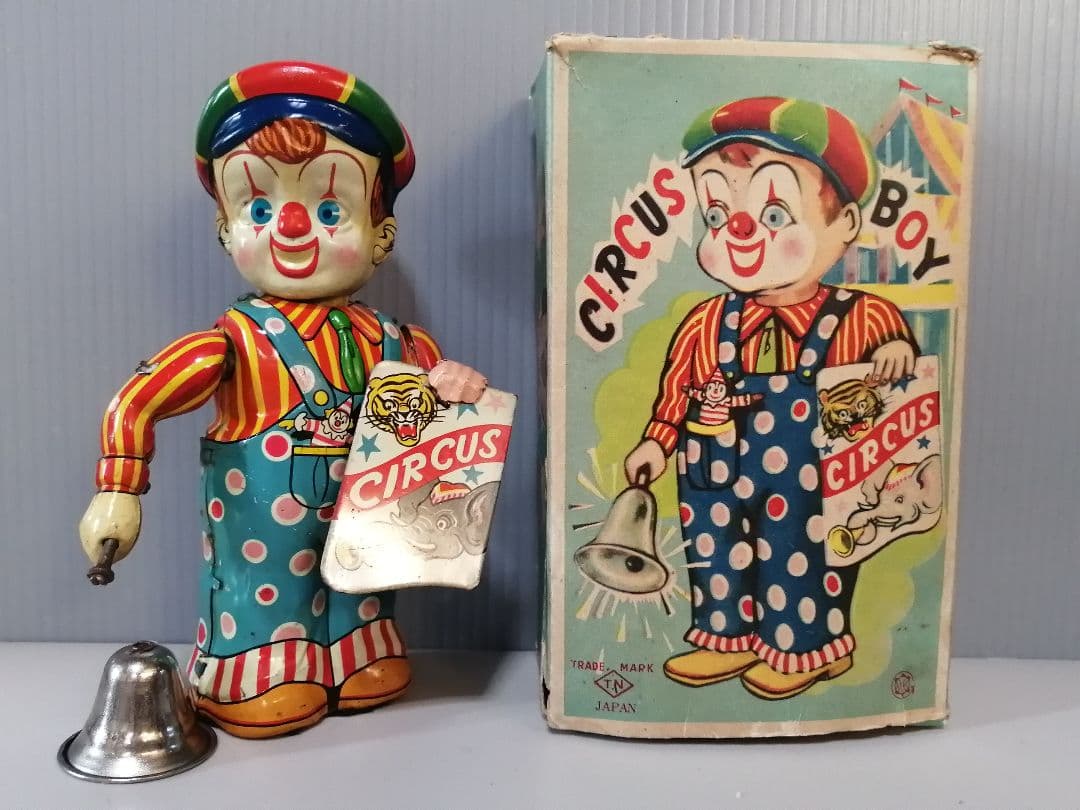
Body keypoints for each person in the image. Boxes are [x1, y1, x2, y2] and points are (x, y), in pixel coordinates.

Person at [78, 61, 486, 737]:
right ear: (226, 227)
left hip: (365, 533)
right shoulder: (232, 343)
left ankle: (356, 653)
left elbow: (437, 427)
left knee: (360, 593)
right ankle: (260, 666)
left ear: (381, 234)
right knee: (270, 603)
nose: (292, 227)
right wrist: (118, 487)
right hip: (262, 544)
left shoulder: (398, 342)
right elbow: (138, 398)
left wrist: (451, 388)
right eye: (260, 208)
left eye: (330, 210)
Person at [624, 97, 918, 700]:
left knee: (799, 554)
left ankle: (806, 646)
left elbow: (898, 370)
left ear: (845, 224)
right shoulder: (707, 321)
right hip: (712, 466)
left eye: (775, 213)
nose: (739, 232)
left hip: (809, 478)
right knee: (716, 551)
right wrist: (657, 442)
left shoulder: (862, 316)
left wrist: (895, 353)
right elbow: (677, 390)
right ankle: (724, 638)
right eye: (717, 215)